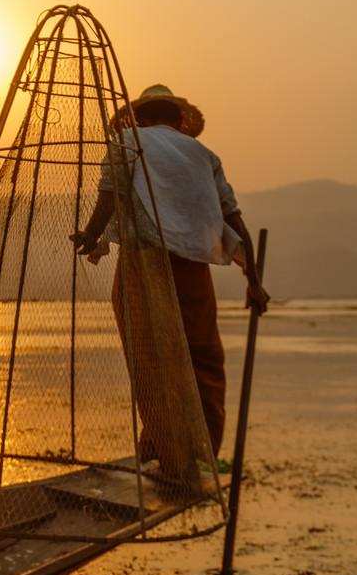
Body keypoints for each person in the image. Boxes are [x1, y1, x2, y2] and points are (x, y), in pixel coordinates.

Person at [72, 83, 268, 456]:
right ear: (179, 120)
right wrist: (254, 282)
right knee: (202, 357)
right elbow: (233, 218)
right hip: (193, 268)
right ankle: (203, 450)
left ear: (139, 118)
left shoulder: (127, 142)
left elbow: (110, 197)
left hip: (144, 266)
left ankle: (164, 446)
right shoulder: (203, 154)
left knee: (149, 357)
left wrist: (90, 234)